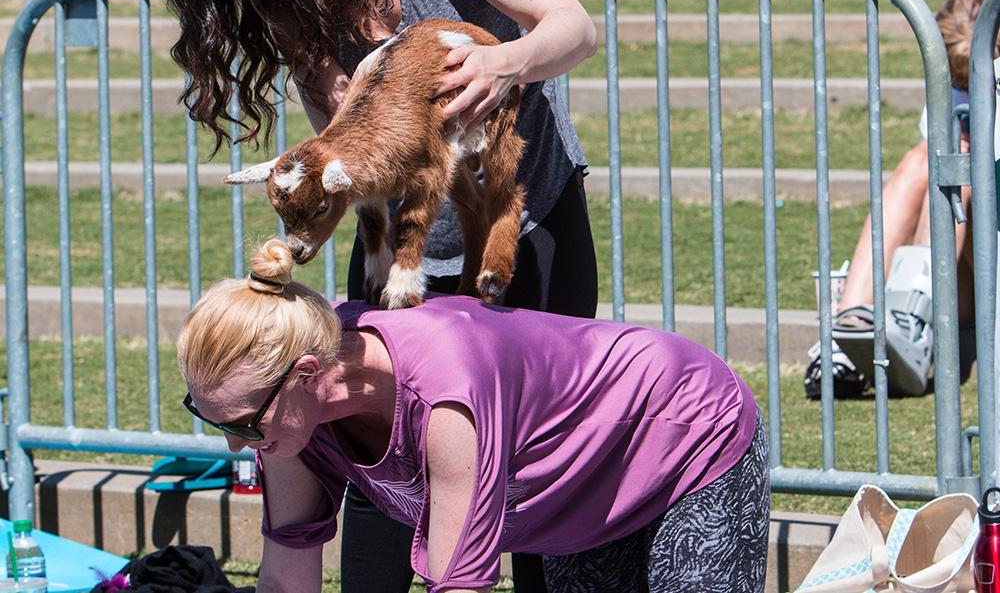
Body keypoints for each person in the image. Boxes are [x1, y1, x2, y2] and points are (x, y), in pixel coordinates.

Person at [165, 0, 600, 590]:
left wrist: (500, 65)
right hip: (399, 261)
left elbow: (574, 28)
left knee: (534, 468)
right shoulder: (289, 2)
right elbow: (345, 163)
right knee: (378, 466)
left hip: (523, 236)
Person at [177, 239, 770, 593]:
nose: (237, 446)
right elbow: (286, 577)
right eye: (219, 423)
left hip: (683, 428)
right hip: (575, 497)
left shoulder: (446, 393)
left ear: (307, 374)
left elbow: (458, 583)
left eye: (244, 425)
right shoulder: (289, 419)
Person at [803, 0, 996, 399]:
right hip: (960, 260)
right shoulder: (950, 89)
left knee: (958, 165)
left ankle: (908, 322)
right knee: (923, 159)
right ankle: (846, 329)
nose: (965, 85)